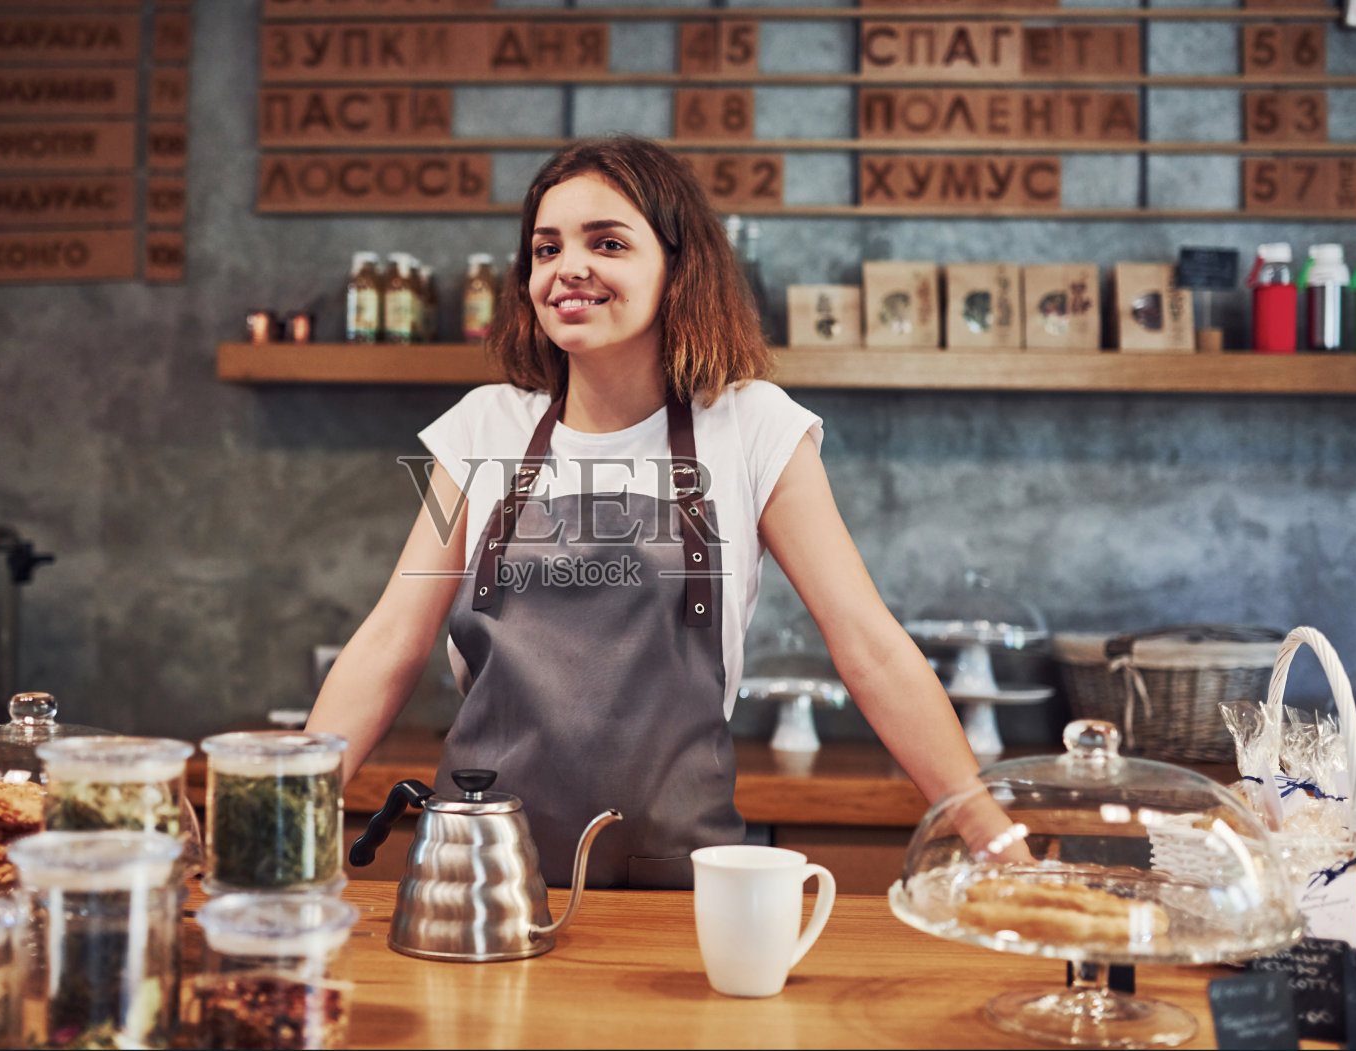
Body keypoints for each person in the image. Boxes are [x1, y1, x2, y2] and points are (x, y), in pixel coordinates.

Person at [307, 135, 1003, 889]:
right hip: (480, 879)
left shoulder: (752, 425)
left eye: (607, 243)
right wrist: (287, 813)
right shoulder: (485, 426)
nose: (569, 267)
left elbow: (870, 647)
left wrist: (991, 835)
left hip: (673, 880)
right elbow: (391, 643)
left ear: (679, 267)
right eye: (546, 249)